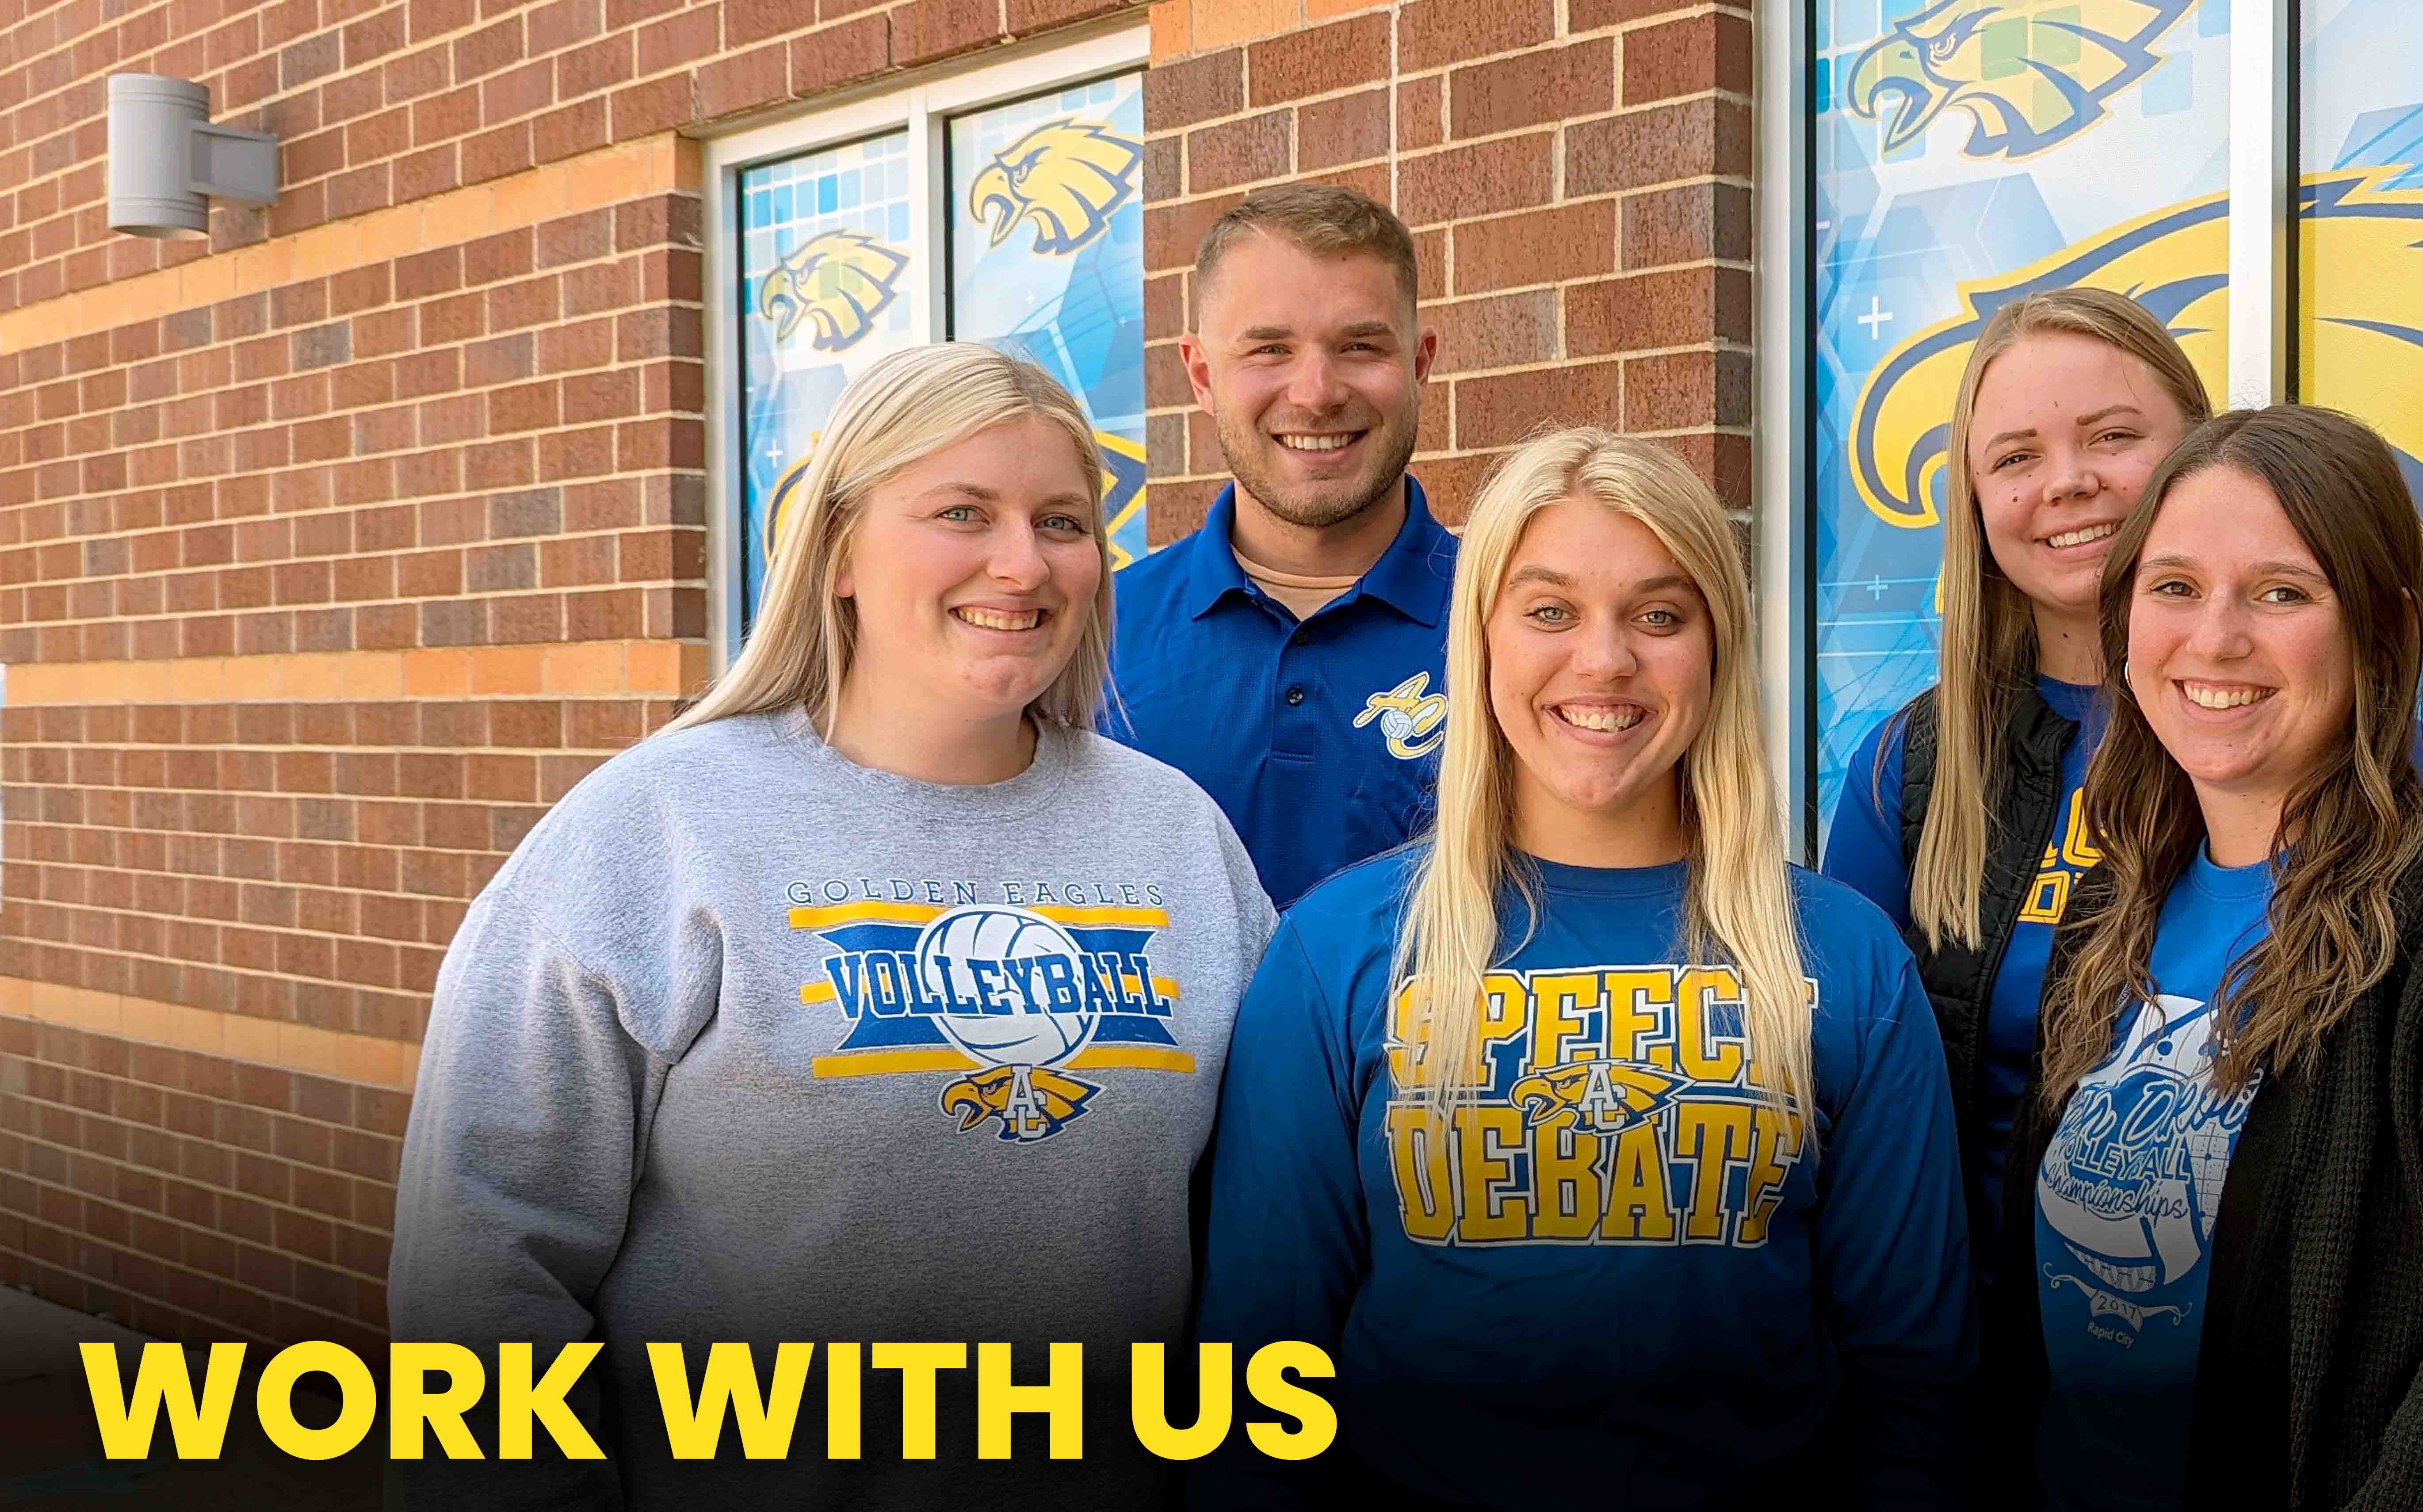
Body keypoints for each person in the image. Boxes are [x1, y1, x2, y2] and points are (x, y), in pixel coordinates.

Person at [390, 345, 1278, 1510]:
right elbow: (482, 1260)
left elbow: (1274, 1240)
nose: (1023, 561)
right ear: (843, 546)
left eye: (1063, 520)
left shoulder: (1178, 840)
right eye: (964, 511)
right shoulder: (655, 828)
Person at [1193, 429, 1974, 1508]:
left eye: (1659, 616)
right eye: (1550, 611)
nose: (1604, 662)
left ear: (1716, 648)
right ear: (1481, 643)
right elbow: (1259, 1373)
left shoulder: (1843, 958)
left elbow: (1915, 1381)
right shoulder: (1337, 952)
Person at [2013, 404, 2423, 1509]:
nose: (2217, 638)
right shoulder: (2106, 914)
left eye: (2282, 592)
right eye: (2174, 587)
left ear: (2381, 629)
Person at [1819, 288, 2423, 1291]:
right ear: (1976, 503)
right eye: (2015, 458)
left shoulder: (2315, 724)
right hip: (1989, 1361)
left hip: (2274, 1361)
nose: (2066, 484)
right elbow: (1842, 1110)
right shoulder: (1913, 770)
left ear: (2200, 458)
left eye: (2113, 436)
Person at [1110, 183, 1455, 909]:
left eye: (1359, 346)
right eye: (1270, 349)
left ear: (1420, 363)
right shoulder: (1095, 635)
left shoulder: (1518, 621)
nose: (1317, 392)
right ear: (1203, 375)